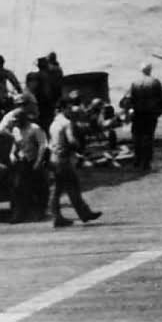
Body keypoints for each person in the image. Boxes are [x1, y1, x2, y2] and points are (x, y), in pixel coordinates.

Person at [47, 94, 103, 229]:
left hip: (53, 159)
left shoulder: (54, 123)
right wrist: (80, 150)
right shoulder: (66, 123)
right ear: (65, 107)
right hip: (63, 159)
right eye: (70, 107)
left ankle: (56, 217)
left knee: (57, 189)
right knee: (73, 187)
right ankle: (84, 214)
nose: (72, 110)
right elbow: (71, 140)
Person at [126, 61, 162, 171]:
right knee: (148, 137)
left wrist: (130, 110)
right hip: (150, 113)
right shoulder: (155, 82)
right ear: (150, 70)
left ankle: (137, 159)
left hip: (138, 113)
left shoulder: (135, 82)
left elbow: (130, 98)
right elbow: (161, 98)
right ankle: (146, 162)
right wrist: (160, 110)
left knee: (137, 136)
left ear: (141, 70)